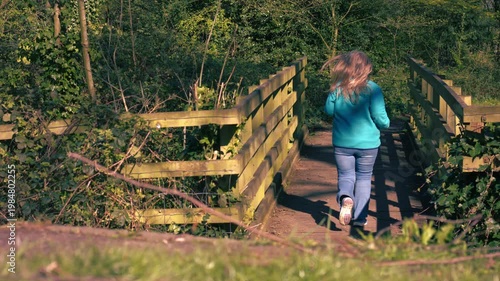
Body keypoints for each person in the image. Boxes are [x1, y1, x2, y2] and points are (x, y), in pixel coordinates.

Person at [322, 51, 390, 227]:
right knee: (364, 178)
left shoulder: (338, 88)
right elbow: (380, 118)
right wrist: (385, 124)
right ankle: (360, 218)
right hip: (368, 145)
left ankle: (346, 197)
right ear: (366, 68)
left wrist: (335, 89)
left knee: (346, 175)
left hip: (342, 143)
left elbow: (329, 111)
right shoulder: (373, 89)